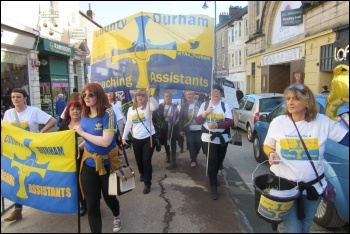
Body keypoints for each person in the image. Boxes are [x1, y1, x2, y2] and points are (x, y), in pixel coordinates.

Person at [263, 84, 349, 233]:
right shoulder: (278, 123)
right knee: (293, 230)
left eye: (296, 99)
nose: (290, 102)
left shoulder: (322, 122)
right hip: (285, 188)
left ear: (307, 102)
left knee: (304, 227)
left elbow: (346, 138)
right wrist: (271, 153)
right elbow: (267, 145)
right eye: (288, 98)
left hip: (313, 188)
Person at [2, 88, 57, 222]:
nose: (15, 99)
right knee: (18, 178)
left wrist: (40, 133)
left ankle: (45, 201)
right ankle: (18, 210)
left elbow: (52, 121)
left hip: (32, 151)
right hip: (15, 151)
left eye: (19, 97)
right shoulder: (9, 113)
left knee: (34, 178)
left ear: (25, 98)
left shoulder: (33, 111)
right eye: (13, 97)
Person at [74, 83, 122, 233]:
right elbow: (90, 139)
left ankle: (117, 216)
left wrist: (81, 132)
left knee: (110, 198)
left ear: (99, 95)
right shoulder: (83, 113)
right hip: (88, 164)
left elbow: (105, 141)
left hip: (107, 163)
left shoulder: (108, 113)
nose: (86, 98)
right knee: (92, 205)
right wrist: (80, 146)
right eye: (84, 95)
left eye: (90, 94)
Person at [195, 84, 233, 200]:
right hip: (208, 137)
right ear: (210, 94)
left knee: (219, 161)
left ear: (221, 95)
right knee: (212, 160)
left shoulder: (225, 105)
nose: (216, 93)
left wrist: (217, 125)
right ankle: (213, 186)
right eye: (214, 91)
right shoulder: (204, 105)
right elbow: (198, 121)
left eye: (218, 91)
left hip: (222, 138)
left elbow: (229, 122)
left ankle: (214, 175)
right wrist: (206, 113)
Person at [122, 88, 159, 194]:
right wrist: (124, 137)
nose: (140, 97)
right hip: (136, 139)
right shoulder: (131, 109)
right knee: (139, 161)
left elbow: (155, 106)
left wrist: (150, 94)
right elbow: (128, 124)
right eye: (138, 95)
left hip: (149, 138)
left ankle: (147, 183)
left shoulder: (148, 106)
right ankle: (142, 173)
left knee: (146, 161)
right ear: (135, 96)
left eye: (143, 95)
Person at [58, 101, 87, 216]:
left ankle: (91, 203)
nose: (75, 111)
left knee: (85, 182)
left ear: (81, 111)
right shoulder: (64, 125)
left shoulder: (86, 123)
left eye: (77, 109)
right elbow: (57, 140)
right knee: (75, 181)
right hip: (71, 159)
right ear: (68, 112)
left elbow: (92, 136)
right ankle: (82, 204)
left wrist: (81, 146)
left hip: (86, 156)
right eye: (72, 109)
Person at [178, 90, 203, 168]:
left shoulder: (200, 103)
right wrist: (181, 130)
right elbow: (181, 118)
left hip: (200, 128)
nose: (189, 96)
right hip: (189, 129)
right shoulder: (183, 106)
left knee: (199, 144)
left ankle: (194, 155)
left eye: (191, 94)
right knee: (191, 144)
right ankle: (193, 160)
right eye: (187, 94)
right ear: (185, 96)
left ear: (194, 95)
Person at [156, 92, 181, 166]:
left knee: (173, 142)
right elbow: (157, 116)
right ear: (164, 97)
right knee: (166, 142)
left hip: (173, 126)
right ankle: (168, 155)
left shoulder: (175, 106)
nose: (168, 98)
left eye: (169, 96)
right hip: (164, 126)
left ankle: (173, 158)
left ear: (171, 98)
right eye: (166, 96)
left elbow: (178, 115)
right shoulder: (160, 106)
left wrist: (176, 121)